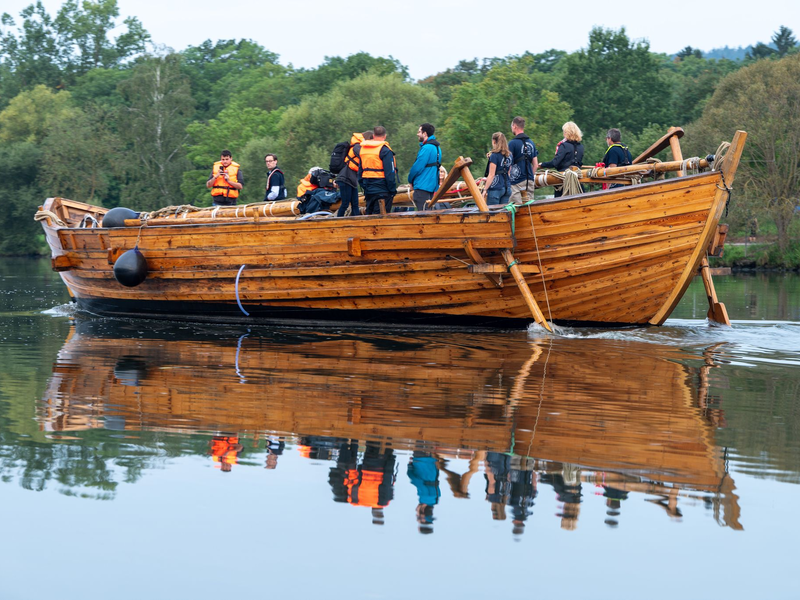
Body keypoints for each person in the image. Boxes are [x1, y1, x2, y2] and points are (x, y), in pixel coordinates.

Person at [358, 125, 397, 215]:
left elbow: (360, 171)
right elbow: (389, 173)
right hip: (383, 190)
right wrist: (392, 190)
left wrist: (364, 186)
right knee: (381, 219)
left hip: (369, 190)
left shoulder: (363, 150)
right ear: (385, 136)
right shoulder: (385, 150)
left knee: (369, 216)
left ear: (374, 136)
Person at [540, 122, 585, 197]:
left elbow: (555, 163)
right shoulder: (581, 147)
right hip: (577, 181)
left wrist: (543, 164)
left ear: (567, 132)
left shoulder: (564, 146)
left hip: (564, 181)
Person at [336, 130, 372, 217]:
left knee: (355, 204)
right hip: (345, 178)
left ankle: (357, 221)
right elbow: (363, 155)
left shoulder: (359, 146)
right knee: (345, 203)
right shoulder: (356, 146)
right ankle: (337, 223)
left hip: (352, 180)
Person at [407, 123, 442, 211]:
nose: (417, 134)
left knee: (423, 213)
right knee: (429, 211)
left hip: (422, 185)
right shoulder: (437, 148)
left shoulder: (427, 148)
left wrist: (410, 180)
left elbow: (417, 167)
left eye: (419, 131)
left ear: (425, 133)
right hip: (432, 185)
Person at [508, 116, 538, 203]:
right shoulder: (531, 143)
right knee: (529, 207)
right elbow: (535, 164)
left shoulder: (512, 143)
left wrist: (508, 178)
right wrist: (530, 176)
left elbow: (508, 165)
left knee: (516, 207)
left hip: (516, 182)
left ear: (514, 126)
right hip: (529, 181)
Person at [482, 132, 512, 206]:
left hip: (495, 189)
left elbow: (491, 175)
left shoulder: (494, 156)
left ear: (494, 141)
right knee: (503, 213)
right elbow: (508, 172)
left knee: (493, 214)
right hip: (507, 188)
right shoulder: (510, 155)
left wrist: (485, 189)